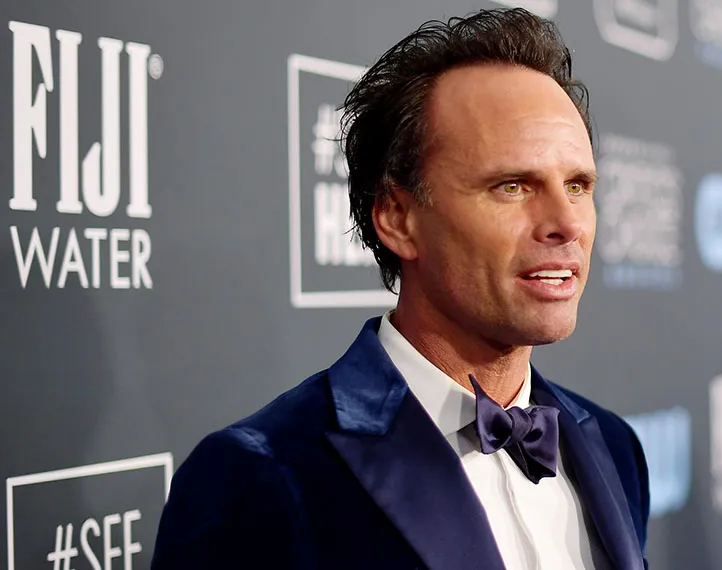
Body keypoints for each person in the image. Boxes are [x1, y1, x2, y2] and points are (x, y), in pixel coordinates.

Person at [152, 8, 650, 570]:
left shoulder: (613, 446)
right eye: (512, 186)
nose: (566, 223)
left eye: (578, 185)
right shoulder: (262, 476)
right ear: (396, 217)